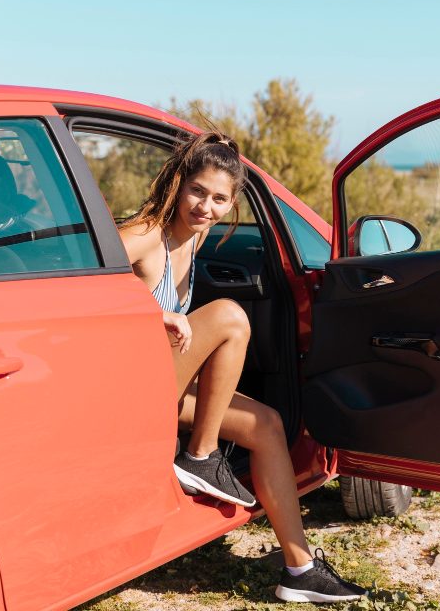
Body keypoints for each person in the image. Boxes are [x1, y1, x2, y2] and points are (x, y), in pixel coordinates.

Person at [118, 130, 367, 603]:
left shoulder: (196, 237)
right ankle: (201, 457)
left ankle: (300, 568)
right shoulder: (147, 234)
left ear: (231, 205)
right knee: (231, 316)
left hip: (162, 383)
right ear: (177, 183)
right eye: (196, 191)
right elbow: (79, 277)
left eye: (218, 199)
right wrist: (155, 314)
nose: (204, 207)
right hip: (129, 386)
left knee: (266, 423)